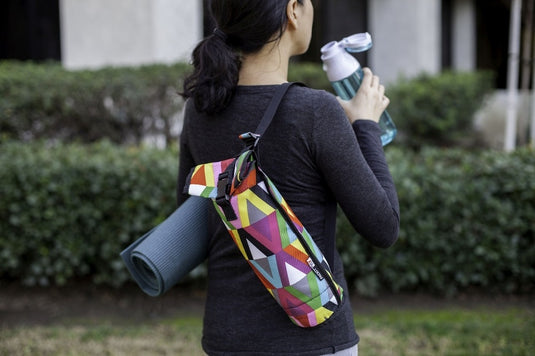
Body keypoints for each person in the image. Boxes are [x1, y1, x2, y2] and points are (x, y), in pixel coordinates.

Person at [176, 0, 400, 355]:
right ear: (293, 9)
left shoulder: (201, 110)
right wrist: (366, 125)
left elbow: (192, 219)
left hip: (226, 336)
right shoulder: (314, 110)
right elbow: (383, 227)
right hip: (313, 339)